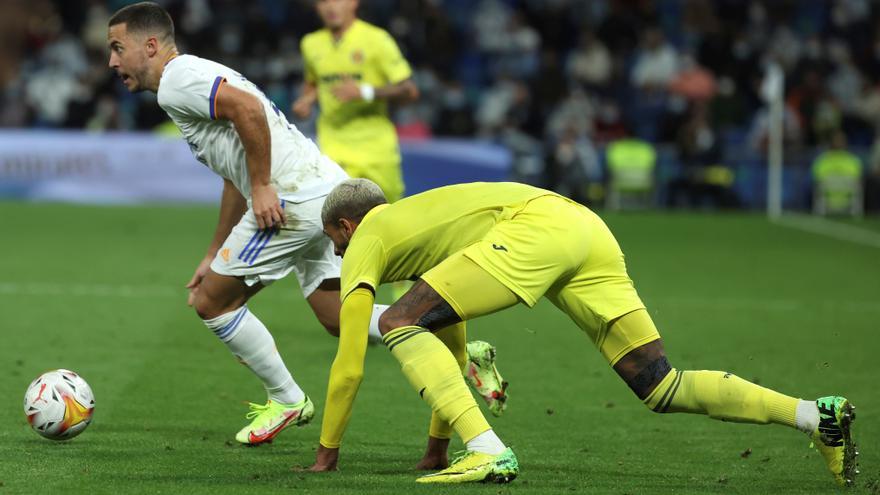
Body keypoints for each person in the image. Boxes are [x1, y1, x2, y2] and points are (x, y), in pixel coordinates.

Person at [105, 2, 507, 452]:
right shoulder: (194, 78)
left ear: (152, 45)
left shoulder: (177, 81)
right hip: (319, 189)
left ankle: (286, 398)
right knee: (339, 317)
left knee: (211, 303)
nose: (112, 61)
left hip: (291, 199)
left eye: (118, 48)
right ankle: (458, 349)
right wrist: (215, 245)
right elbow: (233, 170)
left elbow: (249, 111)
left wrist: (262, 186)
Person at [313, 178, 858, 487]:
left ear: (346, 227)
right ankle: (814, 415)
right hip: (585, 226)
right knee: (659, 385)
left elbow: (352, 356)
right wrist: (434, 448)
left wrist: (326, 454)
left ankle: (487, 448)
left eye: (337, 245)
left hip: (535, 230)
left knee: (393, 320)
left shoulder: (369, 235)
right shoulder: (423, 228)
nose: (340, 256)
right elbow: (451, 348)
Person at [292, 0, 418, 204]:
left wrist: (366, 92)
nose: (331, 7)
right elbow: (314, 82)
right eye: (324, 1)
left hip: (376, 149)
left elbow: (410, 91)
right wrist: (306, 99)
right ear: (316, 6)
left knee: (387, 218)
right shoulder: (310, 43)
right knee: (336, 224)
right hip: (333, 147)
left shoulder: (377, 39)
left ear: (354, 3)